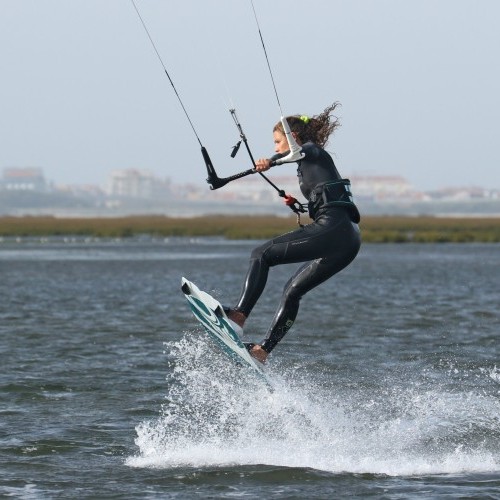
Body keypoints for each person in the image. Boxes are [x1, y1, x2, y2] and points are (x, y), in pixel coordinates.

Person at [226, 103, 361, 363]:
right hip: (347, 239)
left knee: (261, 254)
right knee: (292, 291)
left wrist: (271, 162)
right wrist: (298, 205)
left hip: (335, 229)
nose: (276, 147)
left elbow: (299, 152)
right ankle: (263, 351)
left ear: (293, 138)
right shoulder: (310, 165)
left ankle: (239, 315)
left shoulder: (312, 151)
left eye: (278, 142)